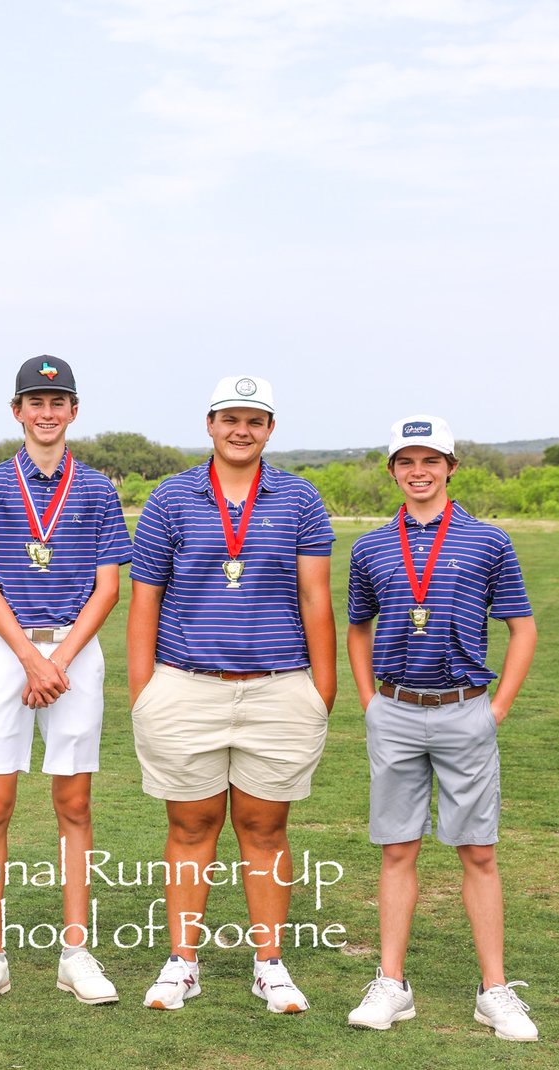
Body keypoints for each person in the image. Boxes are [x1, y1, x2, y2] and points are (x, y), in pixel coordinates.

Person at [127, 375, 336, 1013]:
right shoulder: (170, 497)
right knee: (191, 826)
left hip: (277, 689)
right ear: (210, 424)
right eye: (229, 418)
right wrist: (145, 692)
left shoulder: (300, 498)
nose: (241, 430)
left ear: (270, 429)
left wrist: (320, 693)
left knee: (265, 827)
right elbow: (145, 602)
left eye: (254, 420)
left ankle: (269, 964)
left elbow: (315, 599)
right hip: (187, 687)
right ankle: (181, 962)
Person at [345, 414, 539, 1042]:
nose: (418, 471)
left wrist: (498, 707)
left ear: (452, 467)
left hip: (466, 709)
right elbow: (357, 627)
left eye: (431, 460)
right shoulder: (373, 546)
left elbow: (522, 626)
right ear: (393, 470)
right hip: (395, 712)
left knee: (478, 851)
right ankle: (392, 984)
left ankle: (494, 991)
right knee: (397, 848)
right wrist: (369, 701)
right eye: (406, 461)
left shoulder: (488, 540)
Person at [0, 356, 132, 1009]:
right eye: (35, 401)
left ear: (73, 410)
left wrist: (59, 660)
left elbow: (109, 586)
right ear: (17, 410)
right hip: (7, 650)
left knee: (74, 805)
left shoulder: (99, 490)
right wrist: (31, 658)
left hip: (76, 651)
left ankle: (75, 952)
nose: (46, 412)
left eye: (58, 402)